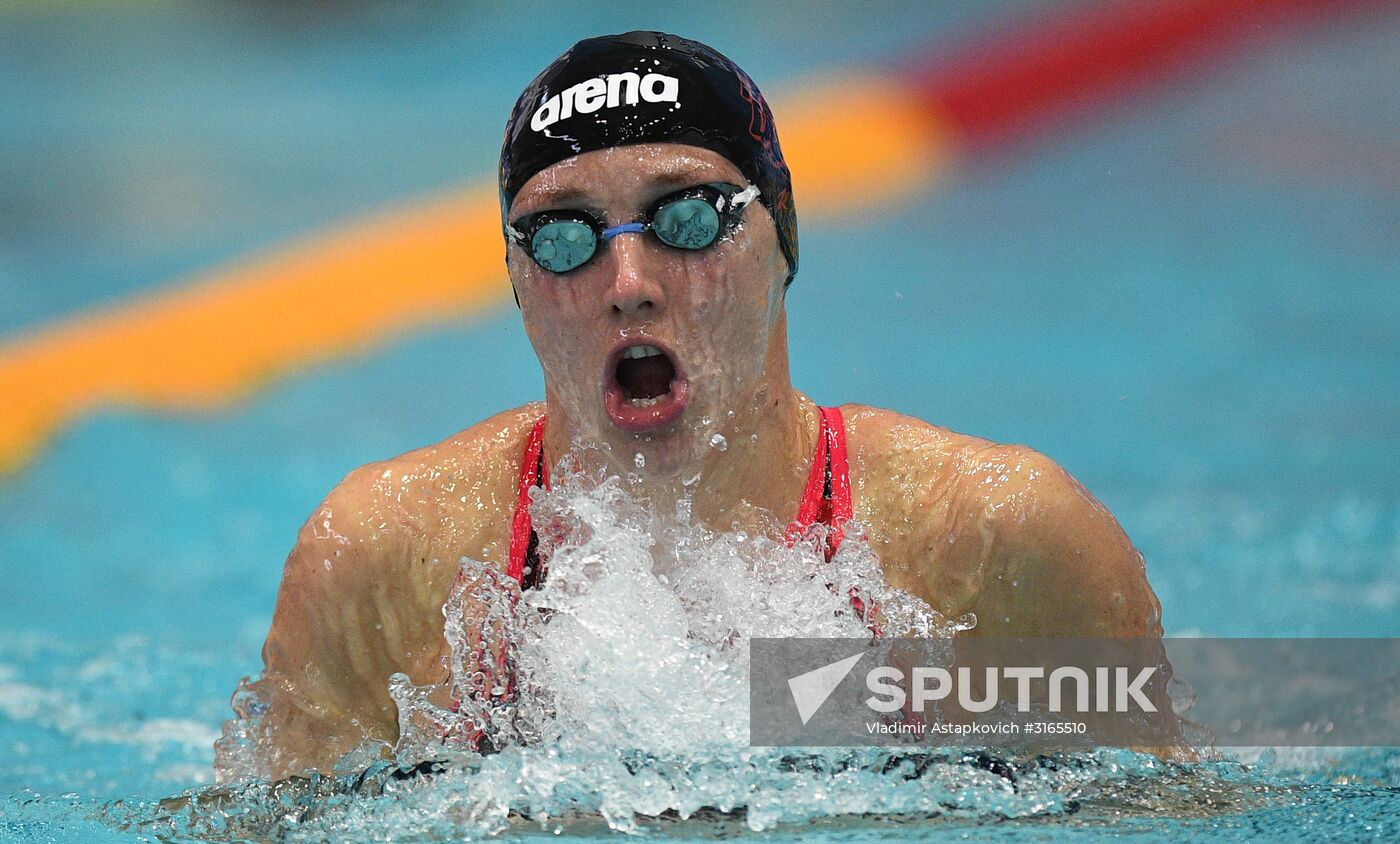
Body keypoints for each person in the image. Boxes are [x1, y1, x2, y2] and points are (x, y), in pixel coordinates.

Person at [217, 31, 1163, 782]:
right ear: (515, 280)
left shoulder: (992, 541)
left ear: (781, 236)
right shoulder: (386, 561)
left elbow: (1170, 814)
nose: (627, 281)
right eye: (563, 237)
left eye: (687, 216)